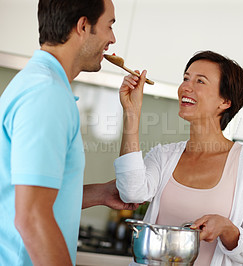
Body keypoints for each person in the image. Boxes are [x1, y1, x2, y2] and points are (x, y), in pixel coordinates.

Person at [0, 0, 138, 265]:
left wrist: (98, 194)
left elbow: (24, 192)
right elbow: (31, 216)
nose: (112, 39)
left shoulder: (39, 84)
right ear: (83, 26)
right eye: (109, 26)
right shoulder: (47, 94)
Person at [114, 51, 243, 265]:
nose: (186, 87)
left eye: (200, 81)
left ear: (225, 101)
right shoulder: (164, 156)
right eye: (186, 78)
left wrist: (226, 228)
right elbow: (131, 192)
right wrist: (131, 114)